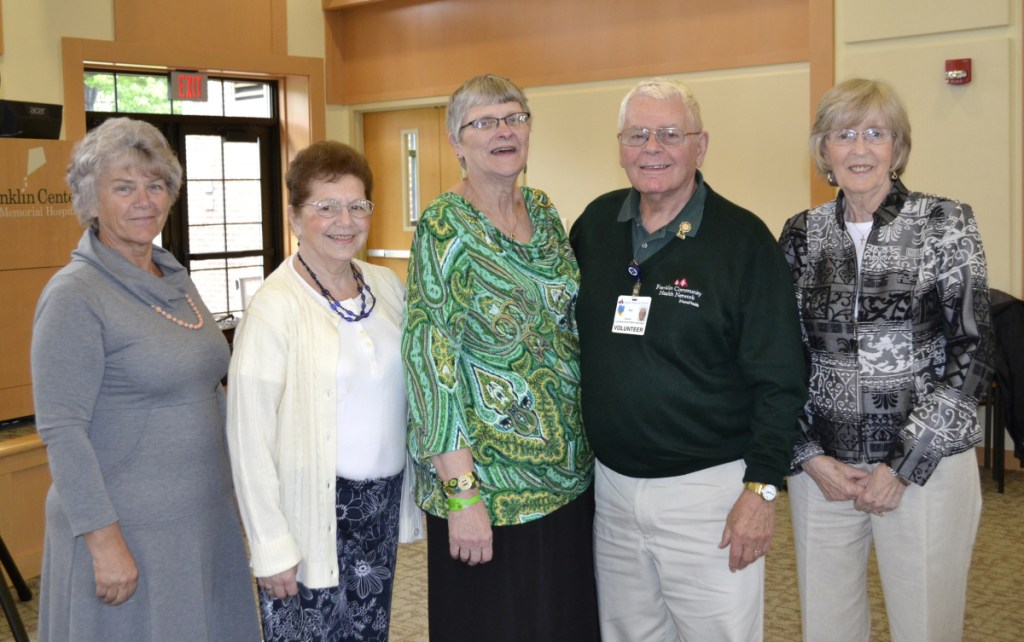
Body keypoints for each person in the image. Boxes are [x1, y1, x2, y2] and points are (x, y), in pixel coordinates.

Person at [569, 78, 807, 641]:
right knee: (631, 634)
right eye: (638, 134)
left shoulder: (743, 241)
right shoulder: (596, 226)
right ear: (620, 145)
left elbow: (781, 378)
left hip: (711, 494)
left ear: (701, 146)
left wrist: (761, 490)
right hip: (614, 488)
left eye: (671, 134)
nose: (653, 148)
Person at [778, 78, 995, 642]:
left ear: (897, 148)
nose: (860, 148)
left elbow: (973, 349)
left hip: (925, 471)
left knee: (925, 626)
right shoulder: (802, 235)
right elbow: (779, 356)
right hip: (824, 473)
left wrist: (902, 464)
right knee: (826, 627)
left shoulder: (944, 222)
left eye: (876, 133)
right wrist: (806, 455)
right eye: (843, 134)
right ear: (823, 149)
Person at [31, 117, 259, 641]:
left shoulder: (173, 277)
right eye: (124, 187)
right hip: (127, 530)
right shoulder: (76, 294)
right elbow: (62, 429)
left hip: (201, 519)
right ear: (91, 201)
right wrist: (103, 540)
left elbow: (208, 389)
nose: (144, 200)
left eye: (155, 186)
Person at [402, 73, 599, 641]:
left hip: (566, 477)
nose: (503, 131)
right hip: (488, 488)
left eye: (515, 117)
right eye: (484, 122)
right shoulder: (445, 227)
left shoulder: (544, 210)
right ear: (456, 142)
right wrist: (462, 493)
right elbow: (429, 364)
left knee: (563, 623)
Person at [226, 140, 419, 641]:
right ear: (293, 216)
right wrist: (271, 545)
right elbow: (249, 440)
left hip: (377, 510)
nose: (345, 219)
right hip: (309, 513)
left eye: (358, 205)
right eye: (326, 206)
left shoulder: (386, 286)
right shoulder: (275, 307)